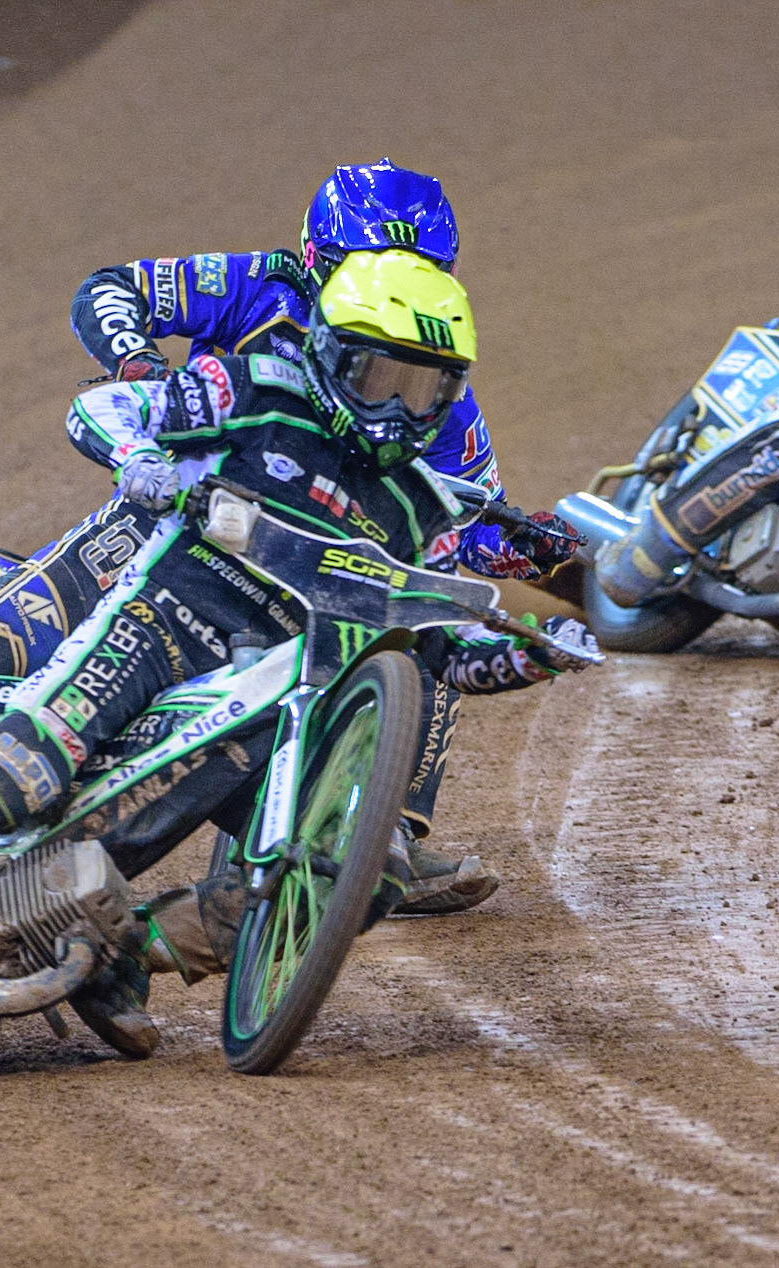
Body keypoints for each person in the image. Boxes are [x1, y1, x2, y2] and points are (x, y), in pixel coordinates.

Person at [0, 250, 599, 1056]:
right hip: (160, 621)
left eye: (424, 389)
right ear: (329, 356)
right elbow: (103, 405)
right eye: (381, 377)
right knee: (24, 767)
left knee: (359, 873)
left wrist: (527, 659)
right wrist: (139, 455)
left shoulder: (414, 507)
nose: (400, 407)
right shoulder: (255, 390)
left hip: (263, 694)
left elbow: (438, 651)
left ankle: (122, 950)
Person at [69, 158, 581, 915]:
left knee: (431, 617)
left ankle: (383, 828)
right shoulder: (254, 282)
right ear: (316, 256)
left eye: (419, 269)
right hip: (188, 515)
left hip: (321, 558)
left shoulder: (441, 385)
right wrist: (138, 362)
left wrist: (514, 545)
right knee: (62, 611)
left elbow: (453, 526)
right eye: (369, 264)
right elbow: (107, 289)